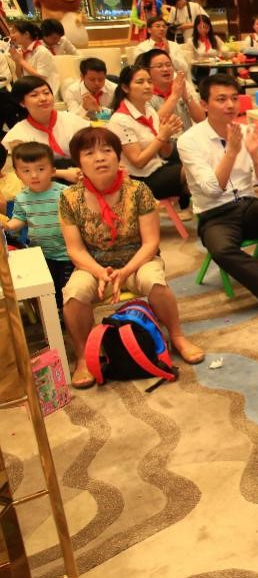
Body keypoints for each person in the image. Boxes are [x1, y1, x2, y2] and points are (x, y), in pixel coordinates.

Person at [58, 127, 204, 388]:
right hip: (95, 268)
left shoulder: (138, 190)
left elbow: (150, 243)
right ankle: (83, 356)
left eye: (107, 150)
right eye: (89, 153)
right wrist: (100, 272)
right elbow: (75, 250)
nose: (100, 158)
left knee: (155, 282)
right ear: (78, 162)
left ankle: (177, 336)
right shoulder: (69, 198)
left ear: (118, 156)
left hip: (138, 261)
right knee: (74, 293)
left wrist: (125, 271)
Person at [180, 73, 258, 303]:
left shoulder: (247, 132)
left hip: (248, 206)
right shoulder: (189, 141)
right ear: (204, 105)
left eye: (234, 98)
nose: (230, 105)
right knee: (220, 250)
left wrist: (255, 154)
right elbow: (212, 189)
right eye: (221, 99)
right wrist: (231, 152)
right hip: (215, 214)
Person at [1, 142, 73, 308]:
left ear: (52, 170)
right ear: (18, 174)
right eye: (26, 171)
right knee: (48, 291)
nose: (34, 175)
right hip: (40, 254)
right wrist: (8, 226)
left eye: (41, 169)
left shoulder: (64, 193)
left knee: (67, 290)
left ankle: (66, 315)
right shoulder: (22, 198)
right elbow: (19, 219)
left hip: (67, 254)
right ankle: (54, 315)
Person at [107, 63, 188, 204]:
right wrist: (162, 136)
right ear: (125, 88)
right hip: (139, 178)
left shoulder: (149, 110)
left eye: (150, 82)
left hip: (159, 166)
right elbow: (138, 162)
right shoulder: (120, 119)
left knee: (197, 166)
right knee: (193, 172)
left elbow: (165, 153)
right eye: (140, 82)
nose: (147, 86)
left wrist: (167, 135)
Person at [1, 76, 85, 182]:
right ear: (22, 103)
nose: (43, 98)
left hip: (82, 173)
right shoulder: (17, 135)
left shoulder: (71, 119)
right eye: (34, 95)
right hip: (42, 183)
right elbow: (22, 170)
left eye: (46, 93)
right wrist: (63, 173)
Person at [139, 48, 206, 132]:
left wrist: (187, 97)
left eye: (168, 65)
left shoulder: (179, 85)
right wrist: (175, 95)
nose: (165, 69)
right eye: (159, 66)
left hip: (186, 138)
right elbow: (154, 124)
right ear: (147, 71)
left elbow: (201, 119)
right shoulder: (145, 95)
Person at [7, 21, 59, 93]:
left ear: (26, 34)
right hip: (30, 88)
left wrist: (21, 61)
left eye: (13, 32)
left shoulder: (42, 51)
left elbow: (41, 78)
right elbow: (20, 77)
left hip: (46, 91)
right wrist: (17, 61)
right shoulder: (22, 51)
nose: (10, 36)